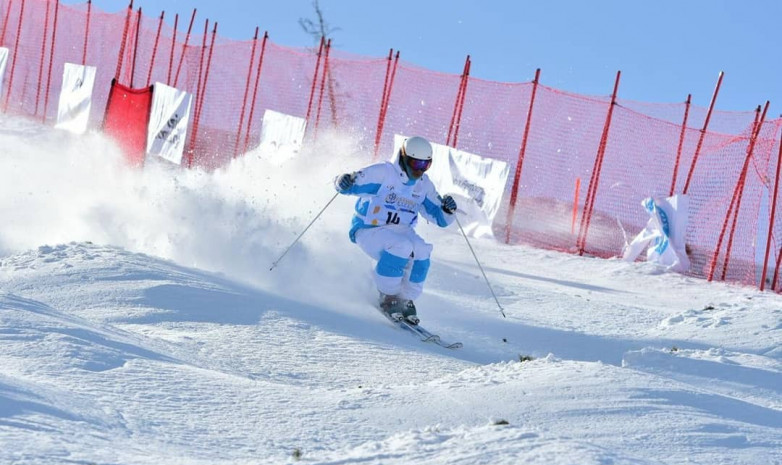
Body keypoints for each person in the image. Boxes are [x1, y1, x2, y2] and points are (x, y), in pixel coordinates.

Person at [334, 136, 458, 325]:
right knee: (401, 246)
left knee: (422, 250)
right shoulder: (384, 173)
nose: (419, 170)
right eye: (416, 163)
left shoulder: (423, 185)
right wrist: (342, 181)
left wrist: (447, 210)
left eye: (425, 165)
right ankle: (388, 295)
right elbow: (351, 184)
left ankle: (405, 298)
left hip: (401, 230)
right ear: (404, 157)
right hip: (370, 229)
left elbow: (439, 218)